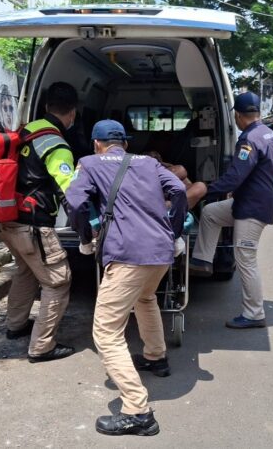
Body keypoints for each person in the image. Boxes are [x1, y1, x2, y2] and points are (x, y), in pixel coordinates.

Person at [65, 120, 187, 436]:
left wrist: (85, 236)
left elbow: (74, 202)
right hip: (160, 251)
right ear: (126, 144)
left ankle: (137, 411)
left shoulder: (89, 163)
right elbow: (178, 189)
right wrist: (173, 232)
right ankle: (156, 357)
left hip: (127, 255)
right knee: (145, 299)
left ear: (96, 144)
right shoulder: (148, 162)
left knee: (106, 332)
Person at [0, 82, 78, 362]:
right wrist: (87, 226)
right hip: (33, 225)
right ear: (73, 113)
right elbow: (70, 192)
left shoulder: (24, 131)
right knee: (57, 282)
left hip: (7, 220)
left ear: (45, 106)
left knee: (26, 271)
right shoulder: (57, 144)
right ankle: (42, 347)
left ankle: (16, 326)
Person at [187, 91, 273, 329]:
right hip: (250, 201)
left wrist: (204, 191)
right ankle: (202, 261)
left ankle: (254, 314)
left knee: (245, 259)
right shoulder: (270, 134)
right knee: (211, 213)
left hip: (252, 208)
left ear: (238, 116)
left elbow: (234, 177)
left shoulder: (249, 139)